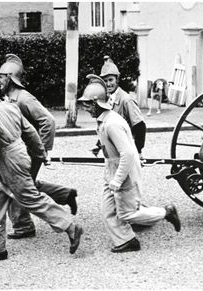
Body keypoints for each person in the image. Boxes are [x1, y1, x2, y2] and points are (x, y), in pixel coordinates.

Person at [0, 64, 83, 262]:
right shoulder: (9, 106)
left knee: (31, 199)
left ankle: (70, 226)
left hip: (9, 160)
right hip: (18, 155)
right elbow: (30, 132)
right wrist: (41, 154)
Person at [78, 74, 181, 253]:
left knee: (128, 213)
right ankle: (126, 240)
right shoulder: (104, 120)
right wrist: (100, 147)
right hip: (112, 167)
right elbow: (113, 144)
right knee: (107, 209)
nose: (85, 108)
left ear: (97, 103)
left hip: (124, 169)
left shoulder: (112, 123)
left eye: (88, 104)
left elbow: (128, 154)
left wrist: (117, 180)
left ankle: (166, 212)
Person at [0, 53, 77, 240]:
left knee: (18, 187)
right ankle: (65, 194)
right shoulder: (9, 98)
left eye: (1, 77)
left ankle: (24, 225)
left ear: (10, 78)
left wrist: (42, 150)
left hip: (28, 152)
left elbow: (48, 121)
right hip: (18, 153)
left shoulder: (24, 98)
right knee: (26, 184)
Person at [98, 56, 146, 158]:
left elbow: (140, 126)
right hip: (114, 150)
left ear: (117, 80)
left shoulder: (126, 100)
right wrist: (99, 145)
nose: (108, 84)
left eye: (111, 80)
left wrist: (138, 151)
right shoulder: (107, 99)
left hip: (127, 149)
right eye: (105, 81)